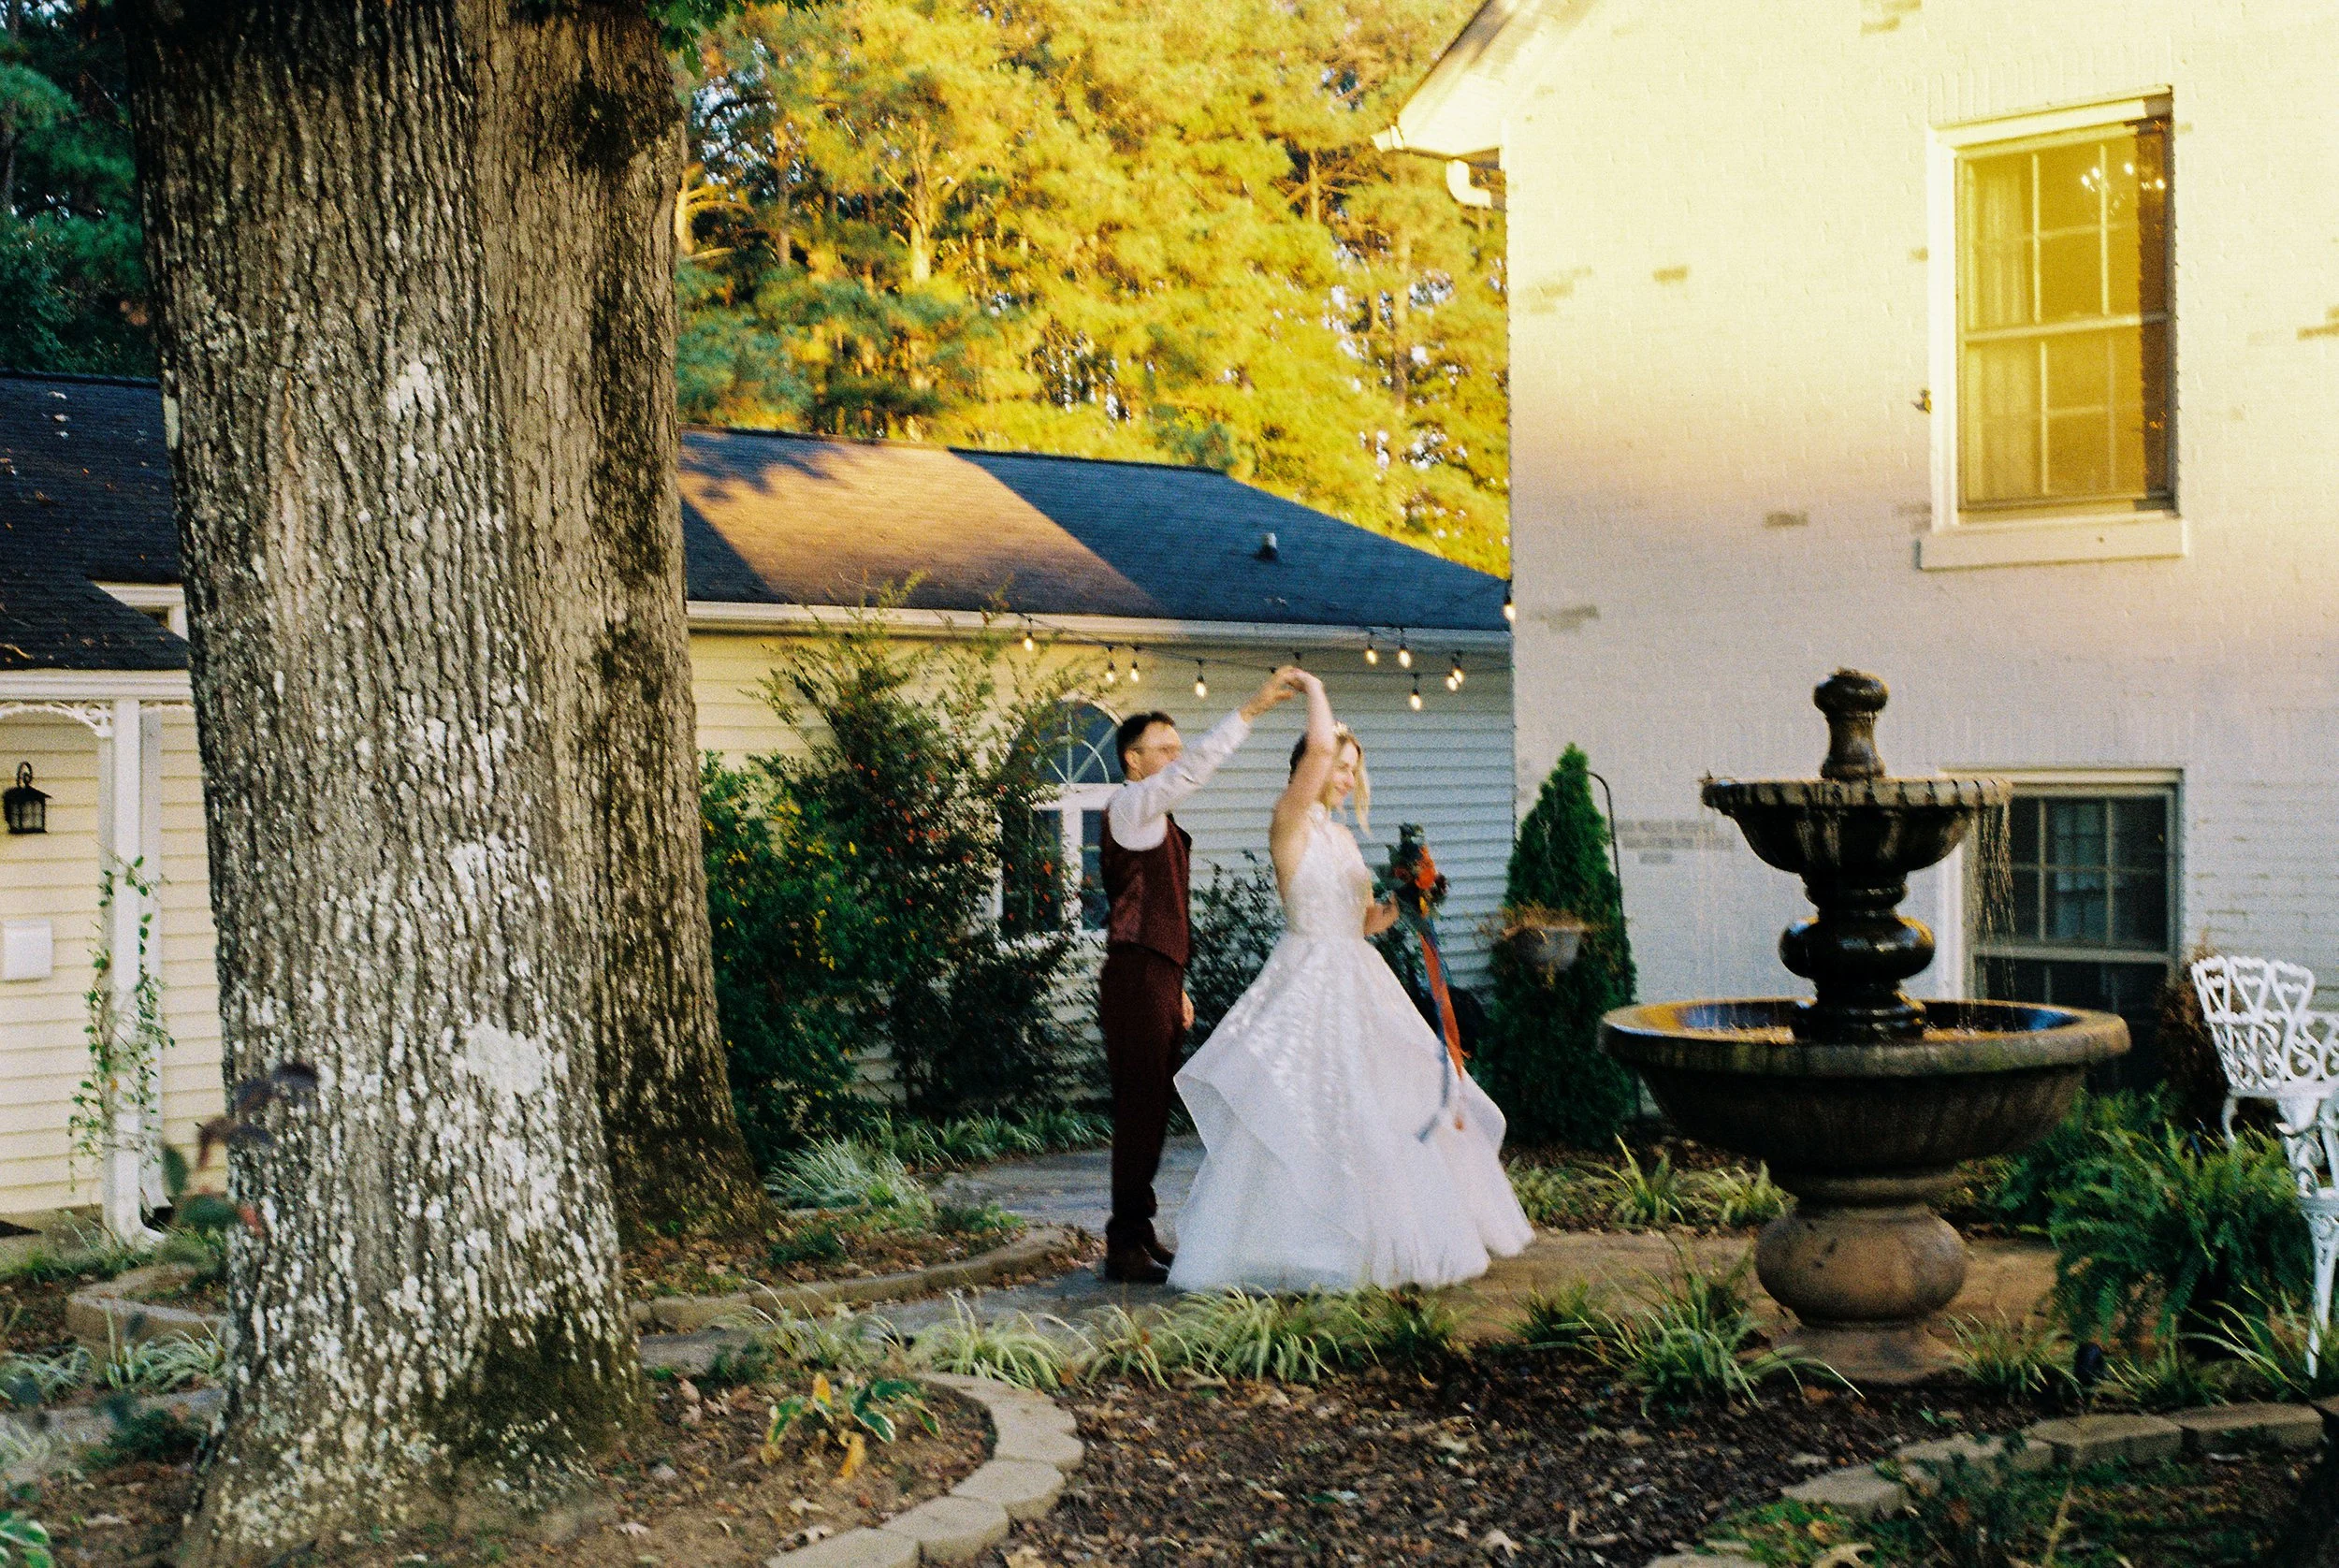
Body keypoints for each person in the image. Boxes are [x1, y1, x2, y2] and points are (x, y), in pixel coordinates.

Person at [1168, 670, 1534, 1291]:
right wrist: (1314, 689)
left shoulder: (1342, 836)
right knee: (1309, 1108)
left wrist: (1408, 903)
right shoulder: (1290, 820)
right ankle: (1304, 1246)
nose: (1346, 777)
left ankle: (1380, 1241)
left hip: (1357, 974)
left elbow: (1362, 920)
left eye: (1352, 768)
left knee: (1383, 1104)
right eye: (1340, 765)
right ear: (1310, 768)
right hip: (1307, 979)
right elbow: (1314, 751)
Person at [1097, 667, 1304, 1285]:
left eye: (1176, 746)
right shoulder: (1130, 804)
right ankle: (1123, 1244)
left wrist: (1177, 984)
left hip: (1156, 975)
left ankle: (1137, 1232)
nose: (1176, 757)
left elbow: (1160, 907)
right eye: (1163, 748)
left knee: (1154, 1108)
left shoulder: (1153, 818)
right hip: (1134, 976)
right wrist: (1253, 707)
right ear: (1134, 761)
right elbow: (1195, 771)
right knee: (1140, 1109)